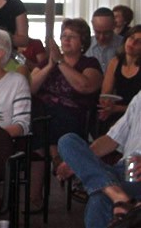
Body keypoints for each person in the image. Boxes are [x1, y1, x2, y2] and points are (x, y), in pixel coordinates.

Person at [29, 18, 103, 210]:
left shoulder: (90, 63)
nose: (66, 40)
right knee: (37, 124)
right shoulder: (48, 61)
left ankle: (55, 157)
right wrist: (49, 66)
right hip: (43, 117)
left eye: (72, 37)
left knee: (50, 119)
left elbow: (85, 86)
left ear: (83, 42)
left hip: (73, 117)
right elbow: (30, 88)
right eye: (63, 36)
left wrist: (61, 63)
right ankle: (37, 193)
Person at [56, 90, 141, 228]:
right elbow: (111, 139)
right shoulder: (139, 97)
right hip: (126, 166)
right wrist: (79, 160)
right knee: (67, 141)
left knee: (100, 197)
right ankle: (117, 195)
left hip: (136, 169)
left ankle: (114, 194)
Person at [98, 25, 141, 135]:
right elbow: (106, 92)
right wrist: (107, 106)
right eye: (131, 38)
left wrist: (117, 108)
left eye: (139, 41)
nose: (133, 43)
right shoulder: (115, 62)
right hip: (116, 108)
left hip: (137, 112)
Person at [86, 7, 123, 73]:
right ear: (92, 24)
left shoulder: (124, 44)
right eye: (97, 32)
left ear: (114, 25)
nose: (101, 37)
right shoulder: (86, 45)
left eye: (107, 33)